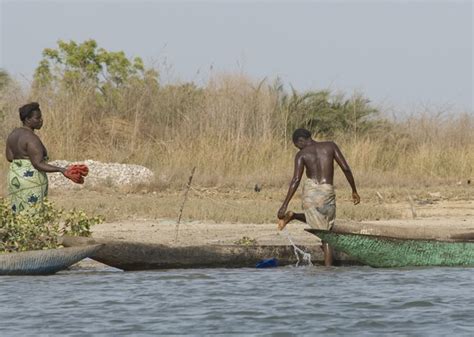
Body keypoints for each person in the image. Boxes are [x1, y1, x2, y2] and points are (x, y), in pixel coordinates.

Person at [277, 128, 360, 266]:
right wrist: (354, 190)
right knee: (326, 235)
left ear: (301, 141)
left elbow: (296, 180)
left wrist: (284, 204)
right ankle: (328, 271)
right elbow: (346, 168)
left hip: (310, 194)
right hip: (326, 192)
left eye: (297, 145)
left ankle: (294, 216)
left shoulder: (301, 155)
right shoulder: (330, 146)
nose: (297, 148)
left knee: (321, 222)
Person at [5, 102, 76, 213]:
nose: (41, 120)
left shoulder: (13, 134)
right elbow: (38, 164)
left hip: (15, 180)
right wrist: (61, 170)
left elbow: (9, 157)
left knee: (19, 214)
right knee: (33, 214)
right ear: (28, 120)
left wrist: (22, 161)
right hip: (31, 182)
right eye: (37, 118)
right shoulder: (32, 138)